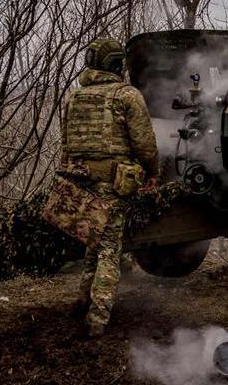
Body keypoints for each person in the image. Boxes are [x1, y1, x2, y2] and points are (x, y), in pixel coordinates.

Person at [46, 38, 158, 337]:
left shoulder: (73, 98)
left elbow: (67, 146)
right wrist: (152, 173)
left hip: (78, 181)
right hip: (112, 182)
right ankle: (98, 319)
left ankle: (82, 301)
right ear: (116, 65)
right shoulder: (127, 96)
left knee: (92, 244)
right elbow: (145, 145)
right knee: (109, 249)